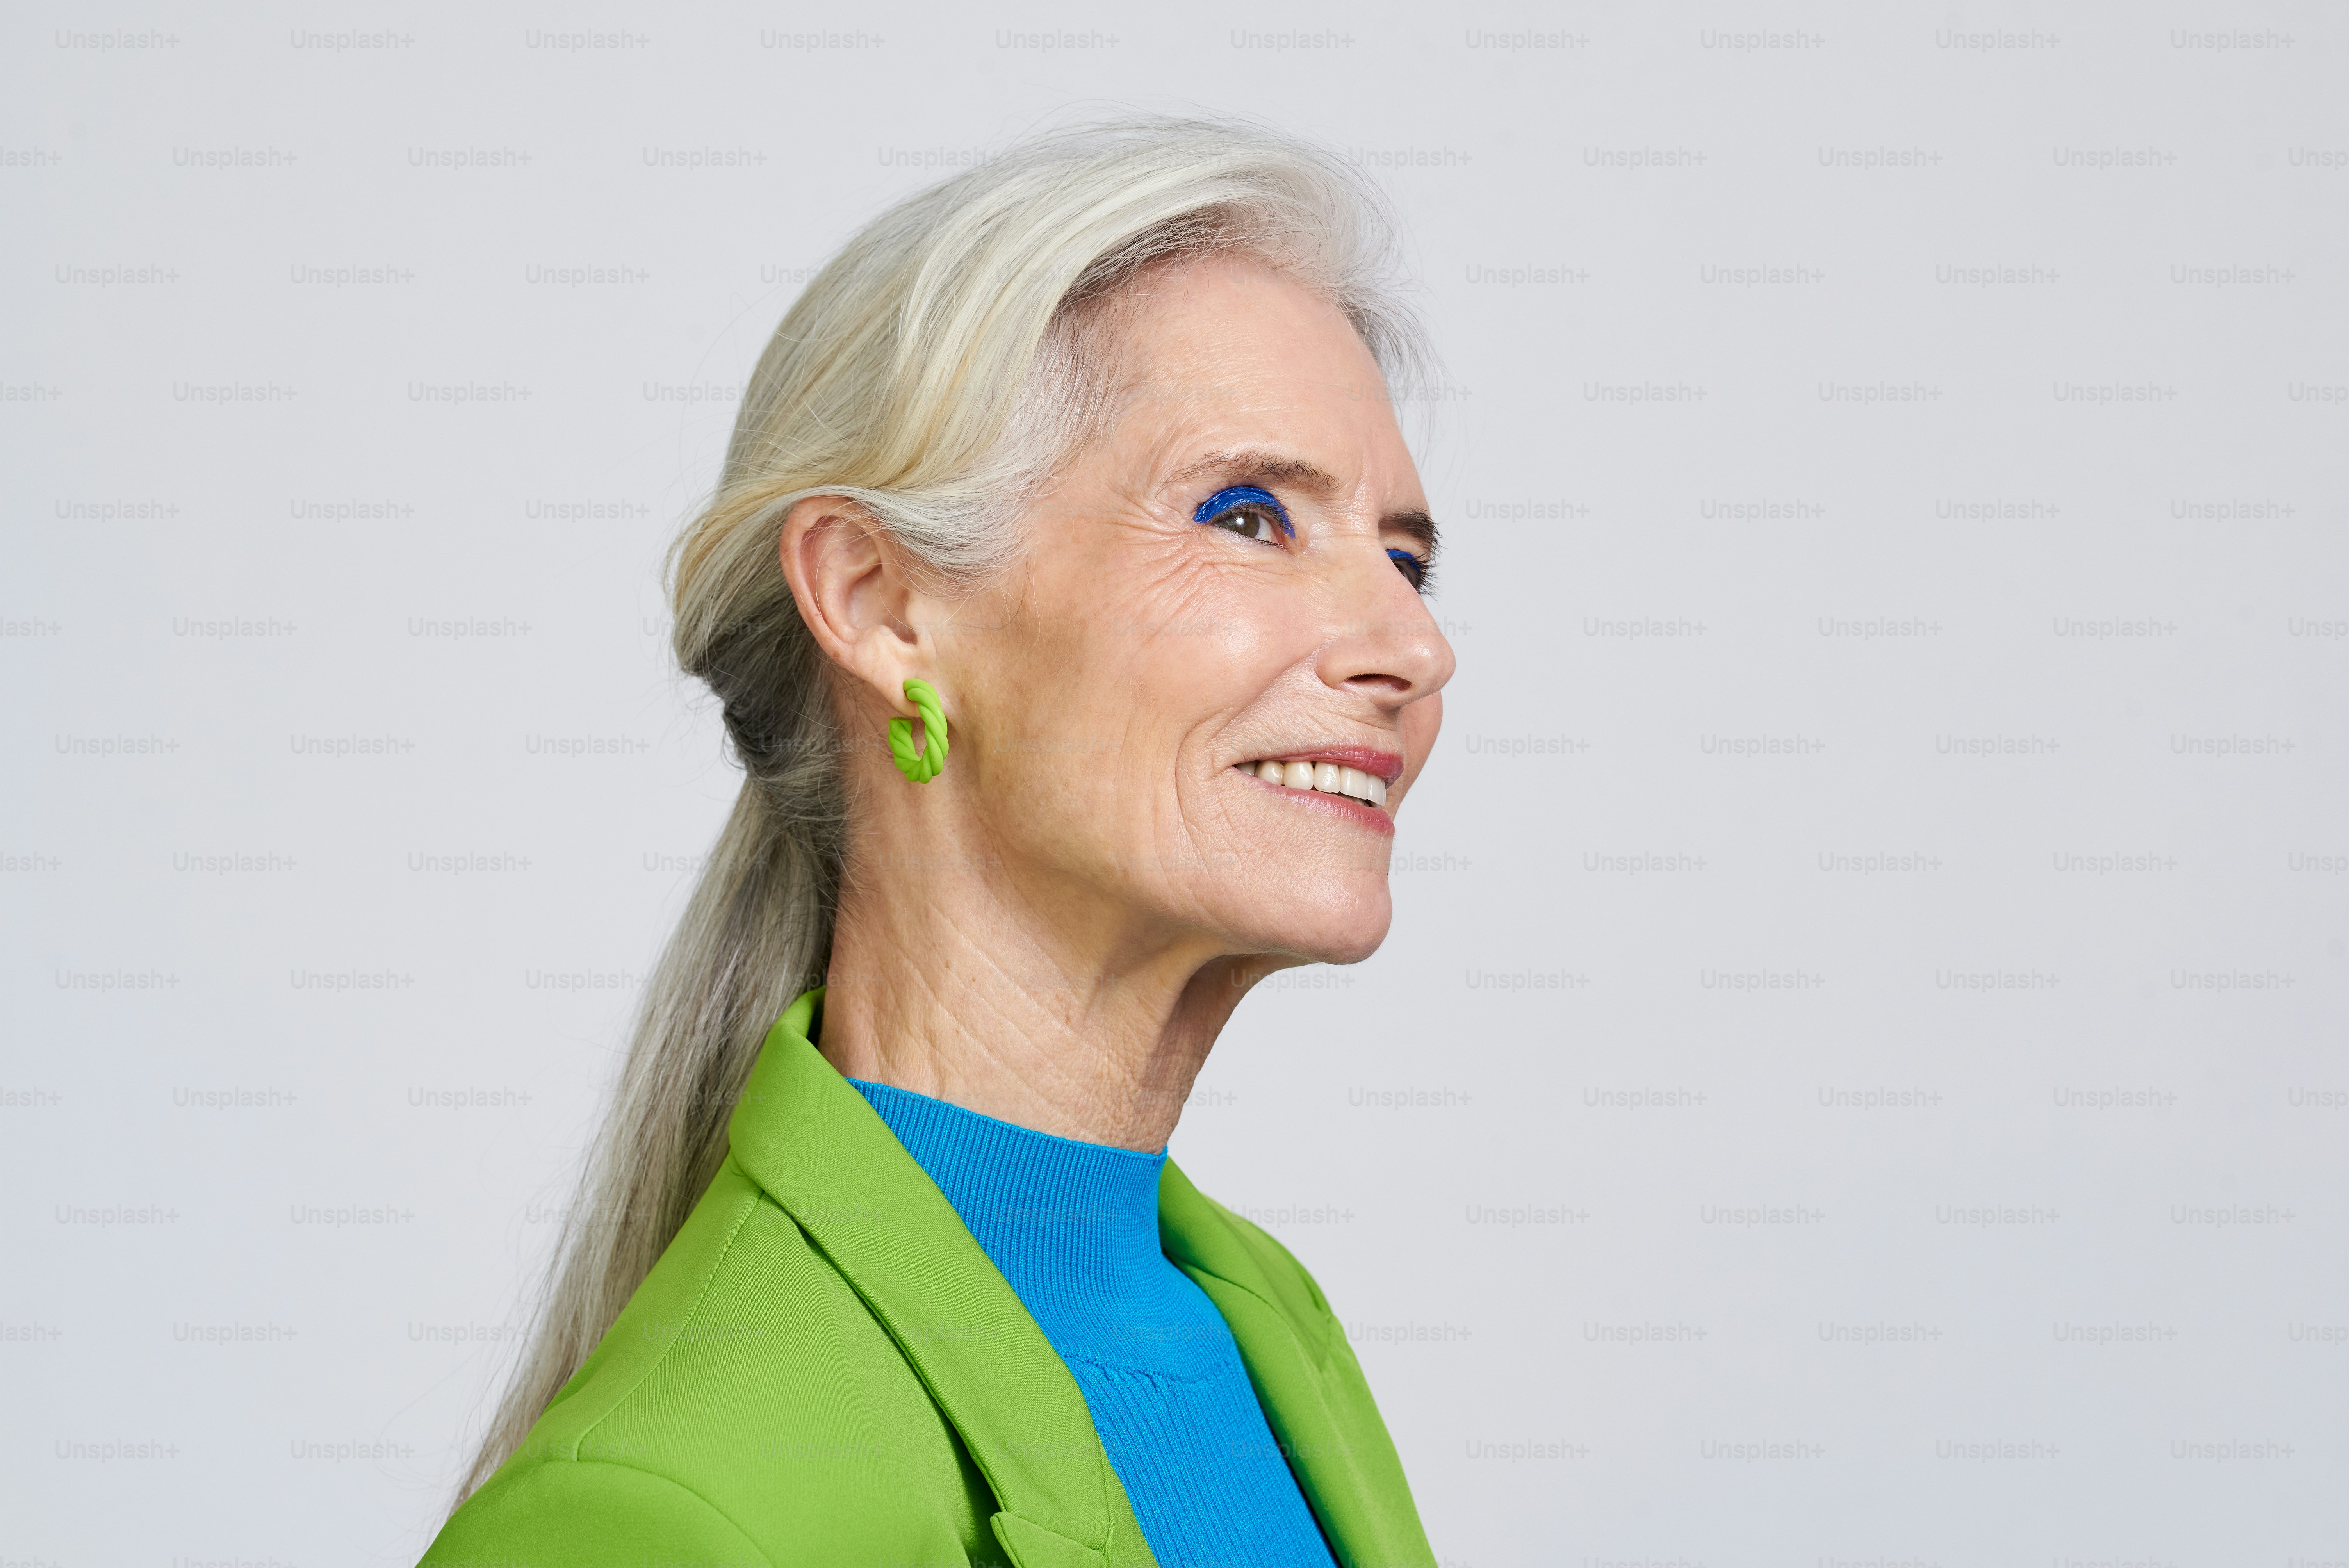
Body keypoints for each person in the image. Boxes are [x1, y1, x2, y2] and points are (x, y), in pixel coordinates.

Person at [423, 114, 1457, 1568]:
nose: (1414, 644)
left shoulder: (1256, 1324)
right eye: (1248, 516)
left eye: (1406, 557)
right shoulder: (666, 1515)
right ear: (882, 605)